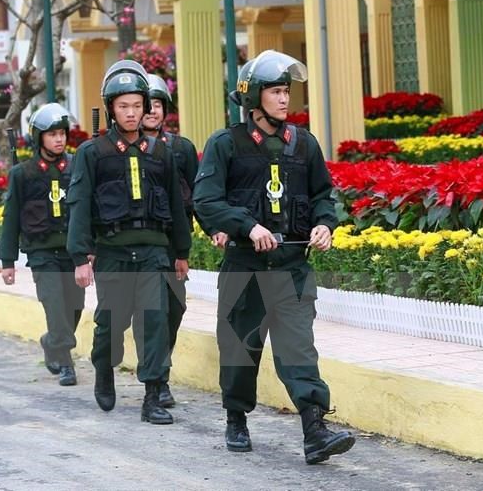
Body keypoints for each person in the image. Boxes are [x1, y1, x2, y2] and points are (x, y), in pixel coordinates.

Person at [193, 49, 355, 464]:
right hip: (244, 267)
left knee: (299, 349)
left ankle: (315, 429)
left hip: (292, 268)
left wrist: (324, 225)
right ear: (253, 98)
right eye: (276, 92)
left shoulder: (304, 144)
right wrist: (248, 226)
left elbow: (322, 196)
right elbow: (206, 201)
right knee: (240, 350)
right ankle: (236, 418)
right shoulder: (225, 144)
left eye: (287, 91)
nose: (285, 99)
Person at [66, 60, 191, 425]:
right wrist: (79, 257)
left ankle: (153, 395)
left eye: (139, 105)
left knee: (154, 319)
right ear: (110, 109)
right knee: (111, 322)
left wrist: (181, 252)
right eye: (124, 106)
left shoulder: (161, 152)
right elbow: (80, 204)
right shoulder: (92, 153)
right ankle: (103, 366)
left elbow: (176, 205)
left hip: (154, 250)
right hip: (113, 250)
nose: (133, 113)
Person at [0, 103, 85, 386]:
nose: (59, 139)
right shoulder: (22, 174)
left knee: (74, 307)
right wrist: (7, 262)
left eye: (62, 133)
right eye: (52, 134)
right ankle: (66, 362)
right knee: (54, 305)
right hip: (42, 253)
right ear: (39, 138)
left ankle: (52, 342)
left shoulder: (76, 167)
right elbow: (11, 218)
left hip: (73, 253)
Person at [140, 73, 199, 409]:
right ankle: (158, 381)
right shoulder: (119, 150)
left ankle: (158, 365)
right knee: (153, 311)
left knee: (174, 308)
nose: (152, 111)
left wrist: (216, 228)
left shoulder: (181, 148)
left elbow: (200, 194)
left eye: (157, 103)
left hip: (174, 244)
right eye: (146, 104)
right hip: (140, 245)